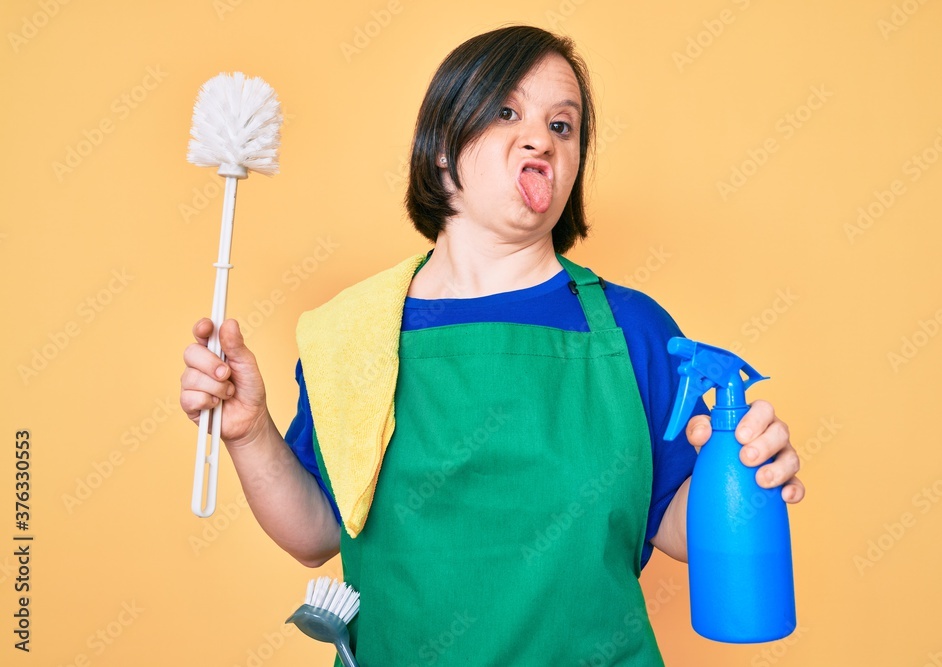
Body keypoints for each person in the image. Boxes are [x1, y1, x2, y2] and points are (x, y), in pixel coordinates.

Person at [180, 25, 804, 666]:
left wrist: (746, 471)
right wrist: (249, 432)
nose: (541, 138)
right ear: (441, 146)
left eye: (562, 126)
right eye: (506, 112)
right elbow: (315, 533)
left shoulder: (634, 330)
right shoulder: (354, 333)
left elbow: (677, 528)